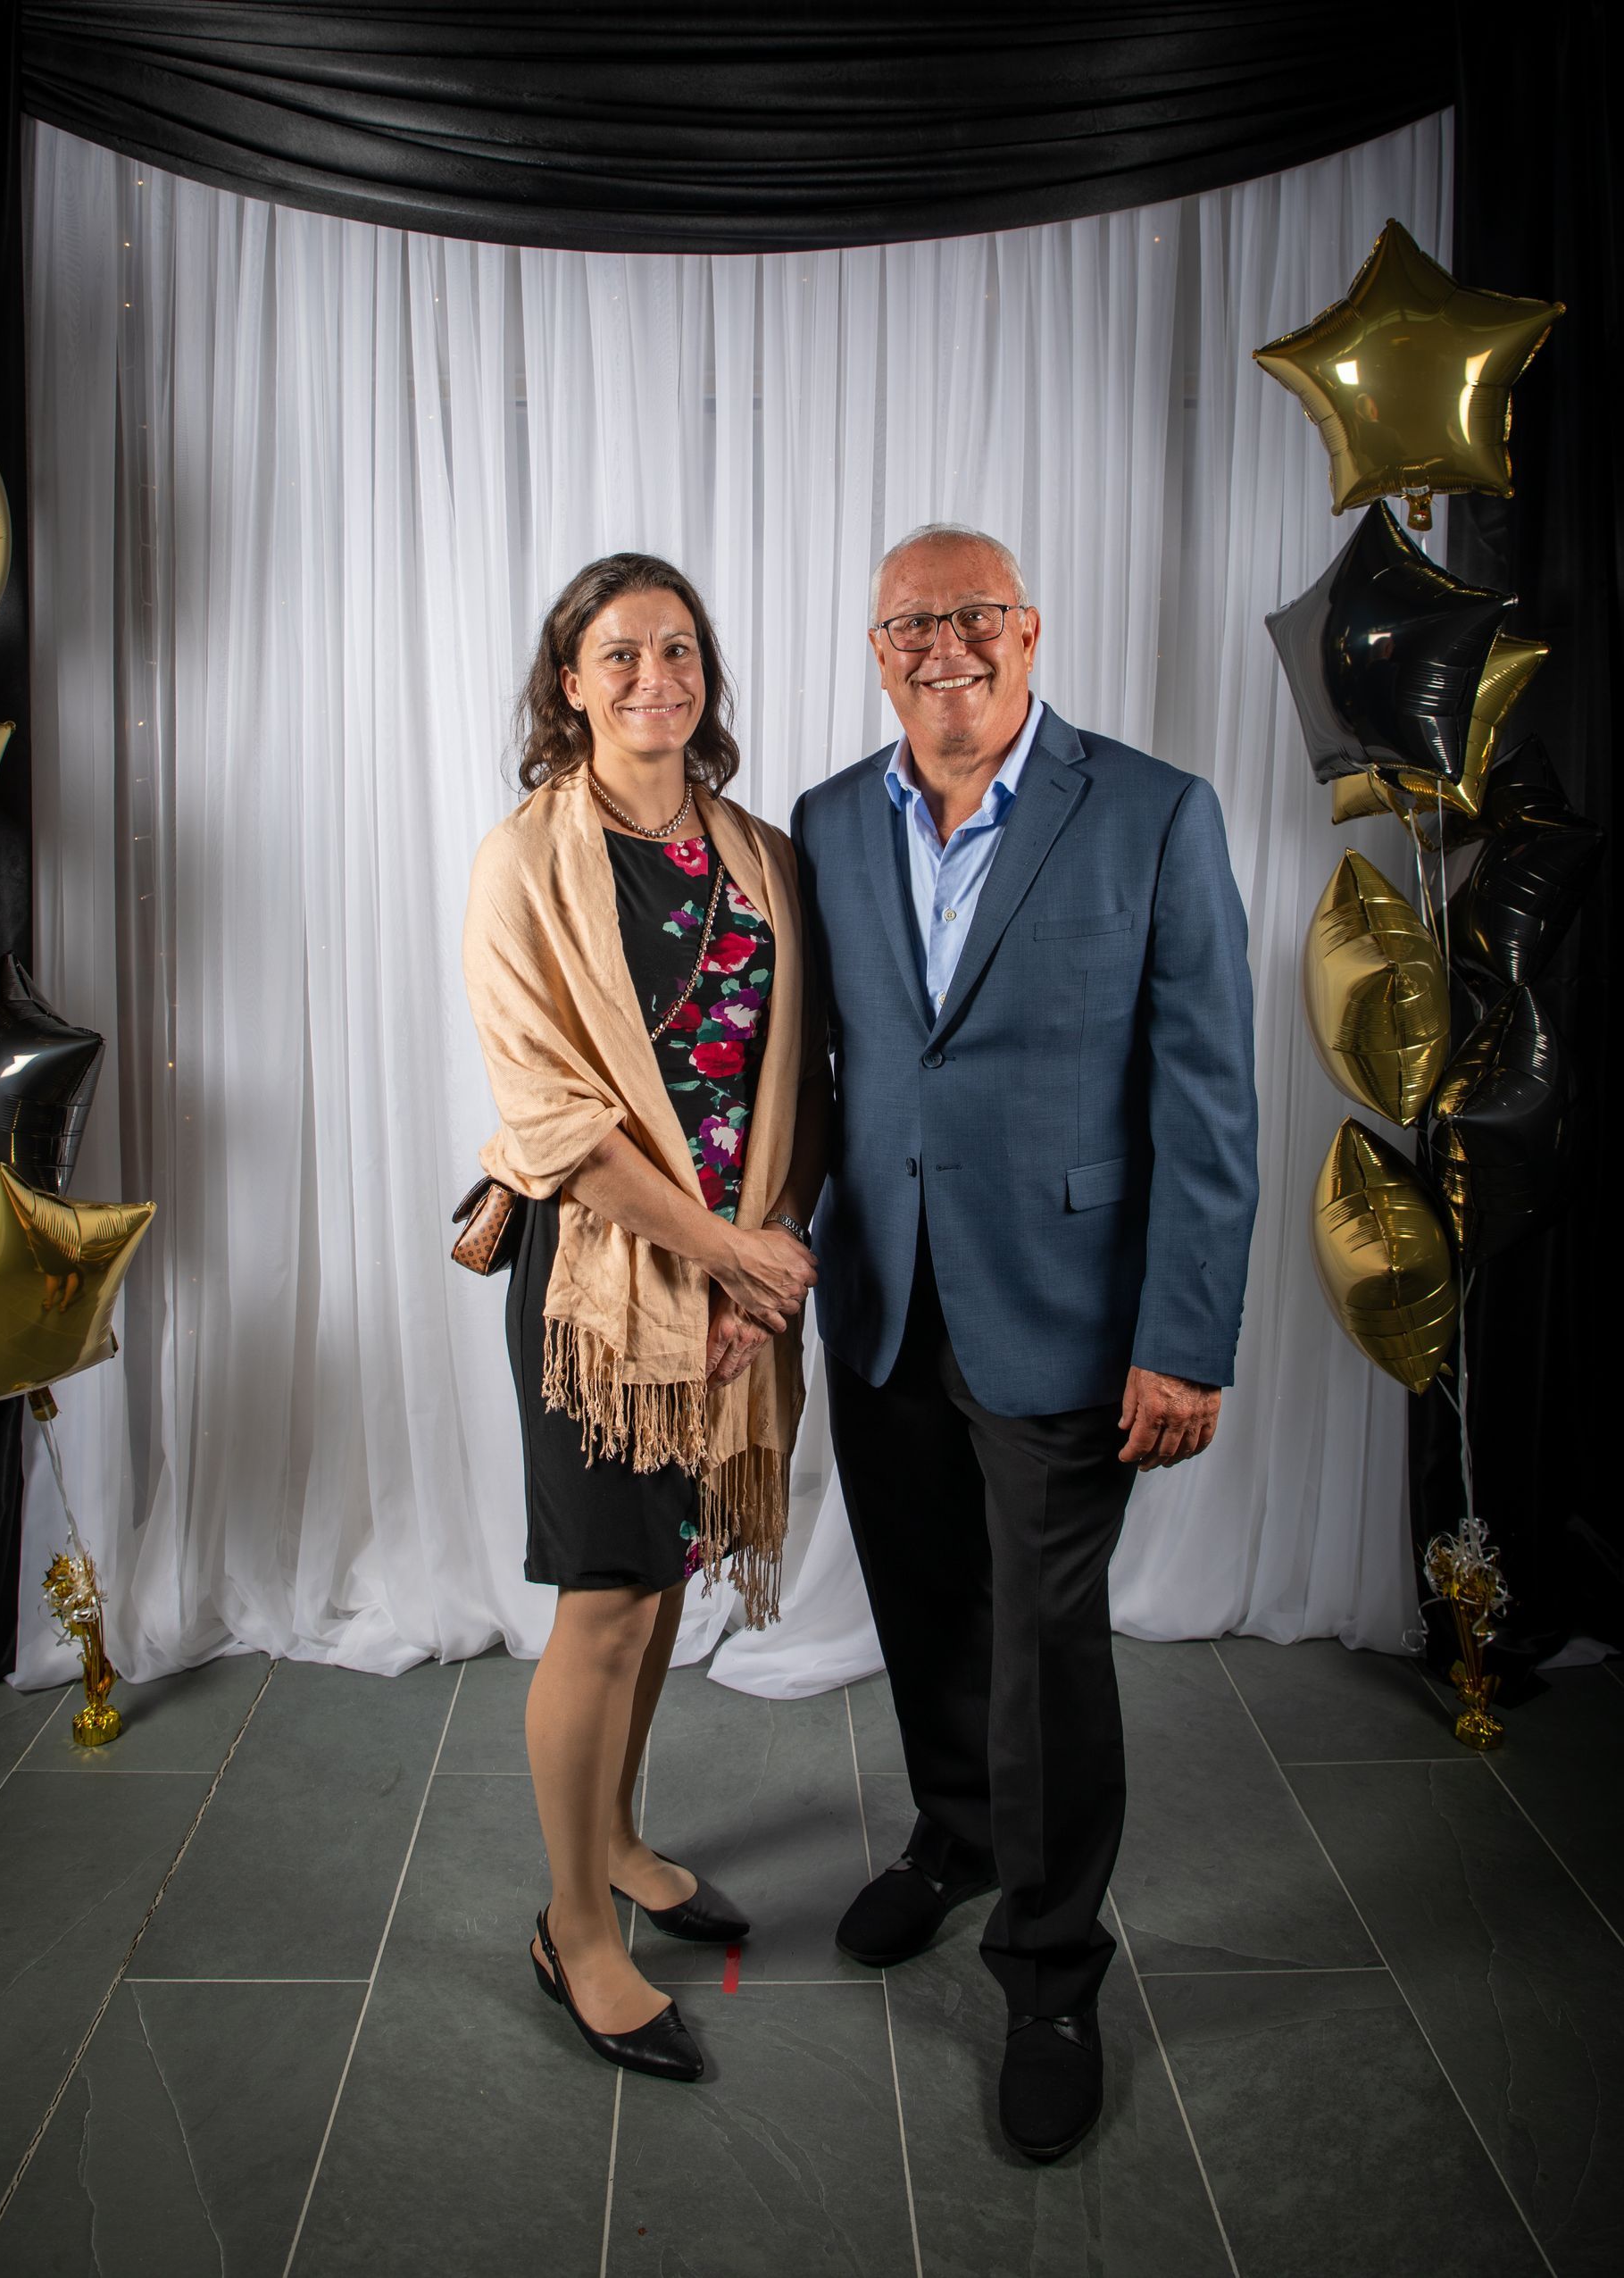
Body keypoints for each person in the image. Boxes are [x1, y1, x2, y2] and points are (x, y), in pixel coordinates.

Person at [791, 523, 1257, 2160]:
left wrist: (1184, 1339)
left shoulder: (1150, 811)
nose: (946, 646)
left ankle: (1054, 1973)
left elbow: (1207, 1097)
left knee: (1048, 1645)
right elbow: (822, 1073)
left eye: (975, 615)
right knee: (924, 1600)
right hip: (883, 1297)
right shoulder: (830, 821)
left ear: (1032, 630)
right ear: (876, 650)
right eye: (912, 623)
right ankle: (957, 1834)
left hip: (1068, 1309)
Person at [463, 553, 827, 2086]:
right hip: (602, 1283)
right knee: (604, 1597)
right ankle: (571, 1928)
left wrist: (772, 1252)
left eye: (679, 652)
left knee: (669, 1579)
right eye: (619, 656)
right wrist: (728, 1257)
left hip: (740, 1280)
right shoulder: (522, 862)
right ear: (569, 683)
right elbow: (552, 1118)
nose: (654, 679)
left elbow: (803, 1073)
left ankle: (616, 1836)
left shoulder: (756, 849)